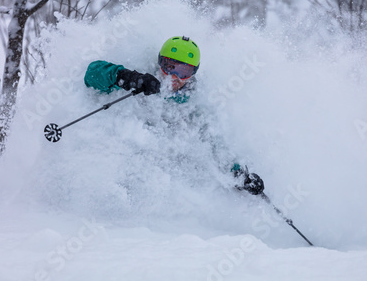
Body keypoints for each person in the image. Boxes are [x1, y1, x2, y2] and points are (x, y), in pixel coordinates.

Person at [83, 36, 264, 195]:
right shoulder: (142, 78)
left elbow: (215, 145)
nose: (175, 76)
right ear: (160, 62)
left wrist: (240, 176)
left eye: (184, 72)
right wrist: (129, 78)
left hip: (159, 164)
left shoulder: (194, 105)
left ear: (192, 74)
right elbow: (92, 74)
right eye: (170, 67)